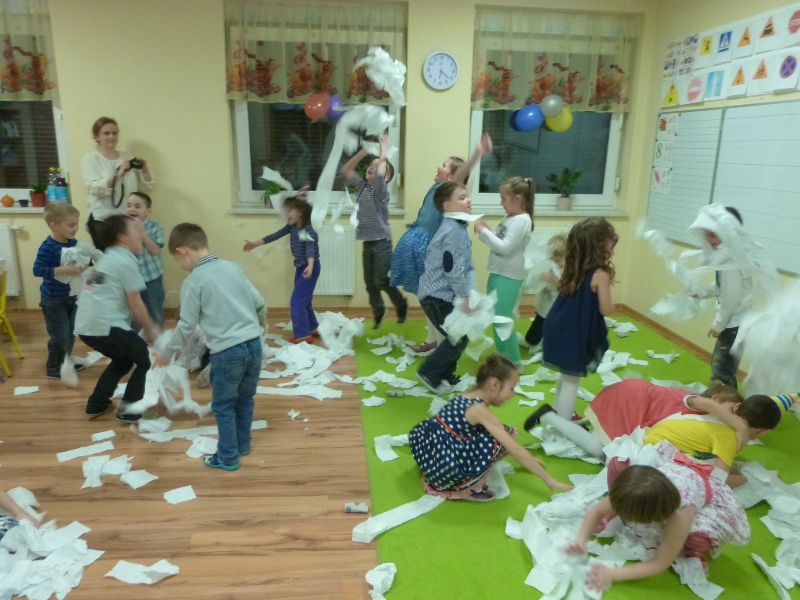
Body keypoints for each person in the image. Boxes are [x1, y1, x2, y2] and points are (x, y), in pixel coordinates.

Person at [155, 223, 266, 471]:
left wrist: (167, 353)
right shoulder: (232, 267)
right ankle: (243, 444)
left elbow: (186, 325)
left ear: (183, 251)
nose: (179, 265)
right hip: (254, 346)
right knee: (245, 399)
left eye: (176, 259)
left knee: (223, 406)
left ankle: (228, 457)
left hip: (228, 353)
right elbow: (258, 300)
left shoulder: (193, 281)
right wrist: (262, 318)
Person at [566, 442, 749, 592]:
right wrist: (581, 542)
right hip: (678, 475)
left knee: (697, 538)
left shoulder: (680, 515)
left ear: (654, 517)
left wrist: (612, 574)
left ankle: (697, 548)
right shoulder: (633, 489)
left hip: (704, 494)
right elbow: (597, 510)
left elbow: (660, 563)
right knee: (617, 465)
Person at [409, 354, 572, 501]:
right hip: (447, 469)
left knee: (492, 431)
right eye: (511, 388)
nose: (513, 394)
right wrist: (549, 479)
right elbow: (515, 449)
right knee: (498, 437)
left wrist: (530, 460)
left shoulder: (466, 396)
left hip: (431, 456)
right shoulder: (480, 410)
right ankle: (471, 487)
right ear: (494, 384)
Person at [390, 134, 492, 354]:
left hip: (427, 252)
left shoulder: (447, 190)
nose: (439, 166)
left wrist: (476, 155)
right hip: (418, 248)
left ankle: (438, 341)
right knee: (426, 298)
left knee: (431, 298)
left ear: (452, 178)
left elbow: (461, 177)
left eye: (444, 165)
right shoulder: (436, 189)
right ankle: (434, 340)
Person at [74, 215, 159, 421]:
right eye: (136, 230)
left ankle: (97, 404)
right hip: (105, 325)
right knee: (143, 358)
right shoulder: (124, 260)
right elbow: (135, 302)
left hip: (87, 325)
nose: (141, 234)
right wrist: (150, 329)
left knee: (123, 360)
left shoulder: (108, 259)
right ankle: (130, 410)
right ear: (123, 237)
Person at [542, 218, 617, 421]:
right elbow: (606, 309)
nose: (613, 247)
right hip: (575, 330)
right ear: (599, 245)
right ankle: (563, 425)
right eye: (611, 243)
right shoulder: (600, 274)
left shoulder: (574, 267)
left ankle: (558, 411)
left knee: (566, 374)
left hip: (558, 323)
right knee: (572, 380)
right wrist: (613, 306)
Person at [689, 205, 760, 387]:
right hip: (737, 322)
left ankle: (724, 402)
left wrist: (718, 325)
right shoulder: (730, 256)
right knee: (723, 367)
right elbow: (724, 288)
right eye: (707, 235)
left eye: (713, 235)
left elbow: (730, 297)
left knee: (722, 370)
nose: (708, 239)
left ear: (729, 233)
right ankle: (725, 399)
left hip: (734, 324)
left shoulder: (731, 260)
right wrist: (702, 292)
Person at [341, 132, 407, 329]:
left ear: (386, 177)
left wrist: (383, 152)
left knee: (381, 281)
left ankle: (401, 304)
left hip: (382, 242)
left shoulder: (381, 191)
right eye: (370, 165)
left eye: (376, 167)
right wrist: (364, 151)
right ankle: (379, 311)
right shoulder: (362, 187)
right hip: (368, 241)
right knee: (370, 283)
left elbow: (380, 174)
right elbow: (347, 169)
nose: (371, 167)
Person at [416, 182, 475, 394]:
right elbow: (452, 269)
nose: (468, 200)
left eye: (467, 196)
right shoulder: (454, 231)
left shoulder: (458, 227)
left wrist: (468, 292)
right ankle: (429, 372)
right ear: (448, 206)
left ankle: (445, 374)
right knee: (458, 337)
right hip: (436, 296)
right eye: (462, 197)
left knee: (456, 335)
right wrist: (465, 296)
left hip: (441, 294)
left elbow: (465, 265)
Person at [474, 176, 534, 369]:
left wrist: (484, 231)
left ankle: (515, 362)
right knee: (496, 317)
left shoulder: (522, 220)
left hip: (509, 276)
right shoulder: (511, 218)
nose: (501, 203)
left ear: (517, 198)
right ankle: (502, 356)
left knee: (502, 319)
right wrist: (486, 231)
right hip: (498, 272)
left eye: (503, 198)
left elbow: (505, 248)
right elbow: (499, 242)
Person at [244, 195, 319, 344]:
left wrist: (310, 265)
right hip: (301, 267)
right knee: (304, 300)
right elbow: (275, 236)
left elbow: (310, 249)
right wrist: (255, 244)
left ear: (300, 213)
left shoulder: (309, 231)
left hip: (310, 268)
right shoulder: (292, 227)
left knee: (296, 301)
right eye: (286, 210)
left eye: (290, 210)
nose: (286, 213)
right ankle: (312, 327)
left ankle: (303, 335)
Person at [82, 117, 154, 250]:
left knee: (127, 258)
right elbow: (95, 189)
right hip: (102, 220)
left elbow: (148, 185)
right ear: (97, 137)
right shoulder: (90, 159)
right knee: (108, 259)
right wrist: (118, 174)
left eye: (114, 133)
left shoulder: (127, 157)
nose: (111, 136)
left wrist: (145, 168)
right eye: (106, 133)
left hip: (126, 220)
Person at [33, 203, 83, 379]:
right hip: (53, 300)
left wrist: (84, 265)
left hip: (71, 296)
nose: (76, 228)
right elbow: (37, 270)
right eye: (71, 225)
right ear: (54, 225)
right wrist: (64, 270)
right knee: (60, 336)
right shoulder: (48, 247)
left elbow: (80, 259)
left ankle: (65, 362)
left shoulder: (73, 242)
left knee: (70, 333)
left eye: (77, 224)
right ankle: (54, 368)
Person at [520, 233, 567, 351]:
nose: (554, 263)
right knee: (532, 338)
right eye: (551, 259)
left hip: (560, 311)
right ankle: (536, 341)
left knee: (559, 334)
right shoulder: (547, 267)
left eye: (558, 260)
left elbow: (567, 287)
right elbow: (533, 280)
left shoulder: (568, 270)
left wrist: (554, 280)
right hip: (543, 310)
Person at [126, 192, 165, 326]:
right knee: (135, 314)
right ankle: (138, 338)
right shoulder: (124, 228)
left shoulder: (155, 227)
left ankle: (157, 338)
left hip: (152, 279)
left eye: (137, 206)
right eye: (129, 206)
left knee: (155, 313)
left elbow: (155, 251)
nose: (132, 209)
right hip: (132, 279)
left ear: (148, 211)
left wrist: (142, 232)